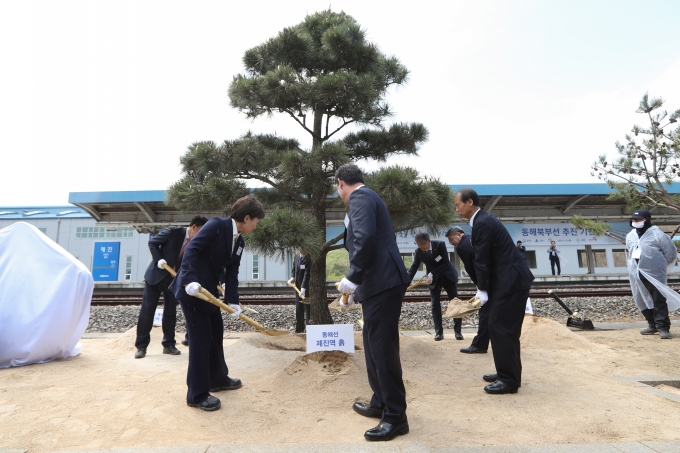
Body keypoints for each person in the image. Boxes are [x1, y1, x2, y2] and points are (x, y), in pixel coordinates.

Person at [335, 163, 411, 441]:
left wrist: (353, 277)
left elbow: (364, 239)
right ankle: (380, 400)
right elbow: (366, 243)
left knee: (382, 348)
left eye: (336, 188)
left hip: (384, 281)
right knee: (372, 342)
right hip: (378, 282)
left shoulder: (360, 197)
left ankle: (395, 416)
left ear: (341, 183)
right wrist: (357, 290)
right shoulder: (366, 198)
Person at [169, 196, 265, 411]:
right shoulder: (216, 225)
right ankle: (197, 394)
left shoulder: (238, 241)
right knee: (201, 340)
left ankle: (218, 379)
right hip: (193, 290)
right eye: (256, 221)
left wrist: (233, 302)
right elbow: (191, 250)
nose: (256, 226)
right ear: (246, 217)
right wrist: (190, 279)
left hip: (209, 292)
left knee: (216, 334)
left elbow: (232, 272)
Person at [454, 188, 534, 395]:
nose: (457, 209)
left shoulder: (482, 223)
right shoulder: (482, 221)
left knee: (501, 327)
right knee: (500, 327)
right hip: (508, 282)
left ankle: (508, 380)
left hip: (511, 282)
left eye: (458, 205)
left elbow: (482, 260)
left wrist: (481, 289)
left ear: (469, 202)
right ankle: (506, 372)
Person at [134, 215, 208, 359]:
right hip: (155, 277)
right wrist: (158, 259)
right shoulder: (174, 232)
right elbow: (153, 243)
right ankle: (141, 346)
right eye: (201, 231)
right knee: (147, 312)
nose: (202, 236)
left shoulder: (196, 243)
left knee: (170, 313)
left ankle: (169, 344)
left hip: (174, 280)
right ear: (194, 227)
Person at [626, 209, 680, 340]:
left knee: (658, 299)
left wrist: (657, 266)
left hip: (654, 273)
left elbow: (671, 254)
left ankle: (663, 327)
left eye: (639, 220)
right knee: (640, 298)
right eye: (634, 220)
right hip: (636, 273)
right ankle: (652, 324)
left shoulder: (658, 235)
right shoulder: (631, 235)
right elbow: (629, 250)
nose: (636, 222)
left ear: (647, 220)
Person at [407, 232, 463, 341]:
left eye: (422, 244)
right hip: (433, 280)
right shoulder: (418, 252)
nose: (421, 247)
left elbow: (445, 262)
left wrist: (432, 272)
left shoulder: (440, 245)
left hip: (447, 276)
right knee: (435, 305)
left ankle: (458, 331)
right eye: (418, 245)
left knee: (455, 302)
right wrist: (406, 282)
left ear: (428, 240)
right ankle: (438, 332)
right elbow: (414, 267)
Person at [446, 227, 489, 354]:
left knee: (485, 312)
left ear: (459, 234)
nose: (451, 243)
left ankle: (479, 345)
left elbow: (471, 268)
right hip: (495, 278)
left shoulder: (462, 247)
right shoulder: (473, 238)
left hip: (487, 283)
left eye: (451, 239)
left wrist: (480, 288)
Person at [289, 248, 311, 333]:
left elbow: (307, 274)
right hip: (297, 288)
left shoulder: (309, 258)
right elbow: (294, 269)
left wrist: (303, 288)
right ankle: (299, 329)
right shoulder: (296, 256)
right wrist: (292, 277)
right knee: (299, 309)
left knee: (307, 309)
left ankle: (309, 329)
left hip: (306, 289)